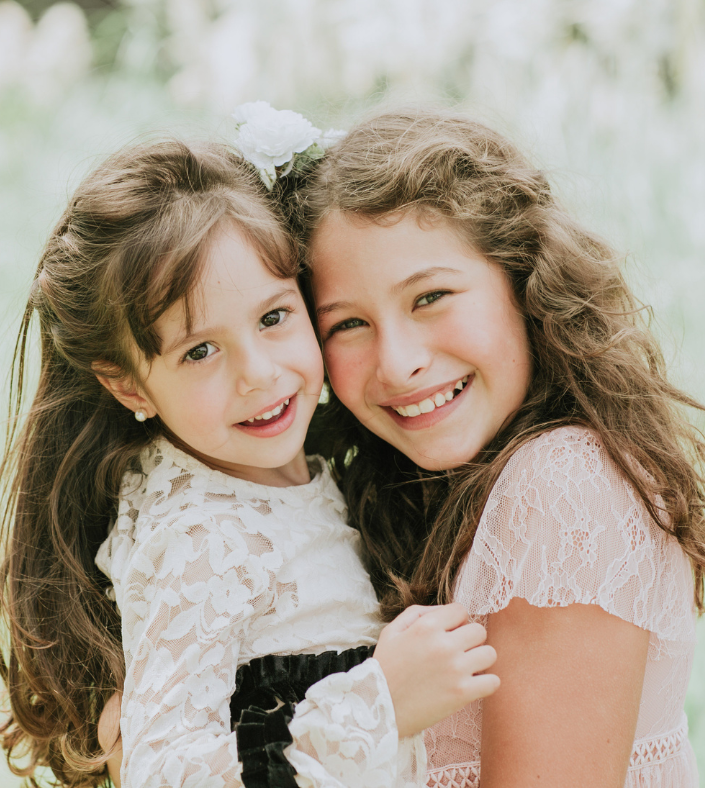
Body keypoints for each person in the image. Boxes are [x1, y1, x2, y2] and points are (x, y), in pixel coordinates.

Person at [0, 137, 501, 788]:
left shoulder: (284, 475)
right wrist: (381, 704)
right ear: (129, 386)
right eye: (201, 352)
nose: (258, 374)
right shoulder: (203, 536)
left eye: (275, 317)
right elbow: (166, 773)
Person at [297, 108, 705, 787]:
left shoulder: (561, 485)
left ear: (525, 283)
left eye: (430, 297)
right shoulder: (430, 492)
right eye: (349, 325)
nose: (398, 364)